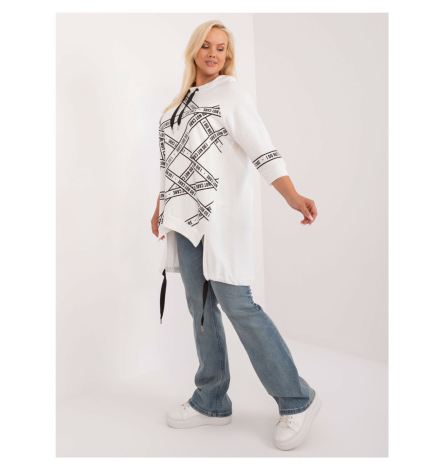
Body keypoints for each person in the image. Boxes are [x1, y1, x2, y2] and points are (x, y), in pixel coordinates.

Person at [150, 20, 321, 451]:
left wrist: (292, 195)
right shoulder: (177, 105)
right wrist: (160, 207)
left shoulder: (231, 94)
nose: (213, 53)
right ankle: (211, 400)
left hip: (220, 220)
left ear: (228, 56)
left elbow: (262, 149)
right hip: (184, 222)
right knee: (200, 307)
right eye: (206, 46)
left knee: (238, 304)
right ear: (194, 50)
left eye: (221, 48)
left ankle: (297, 399)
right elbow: (171, 164)